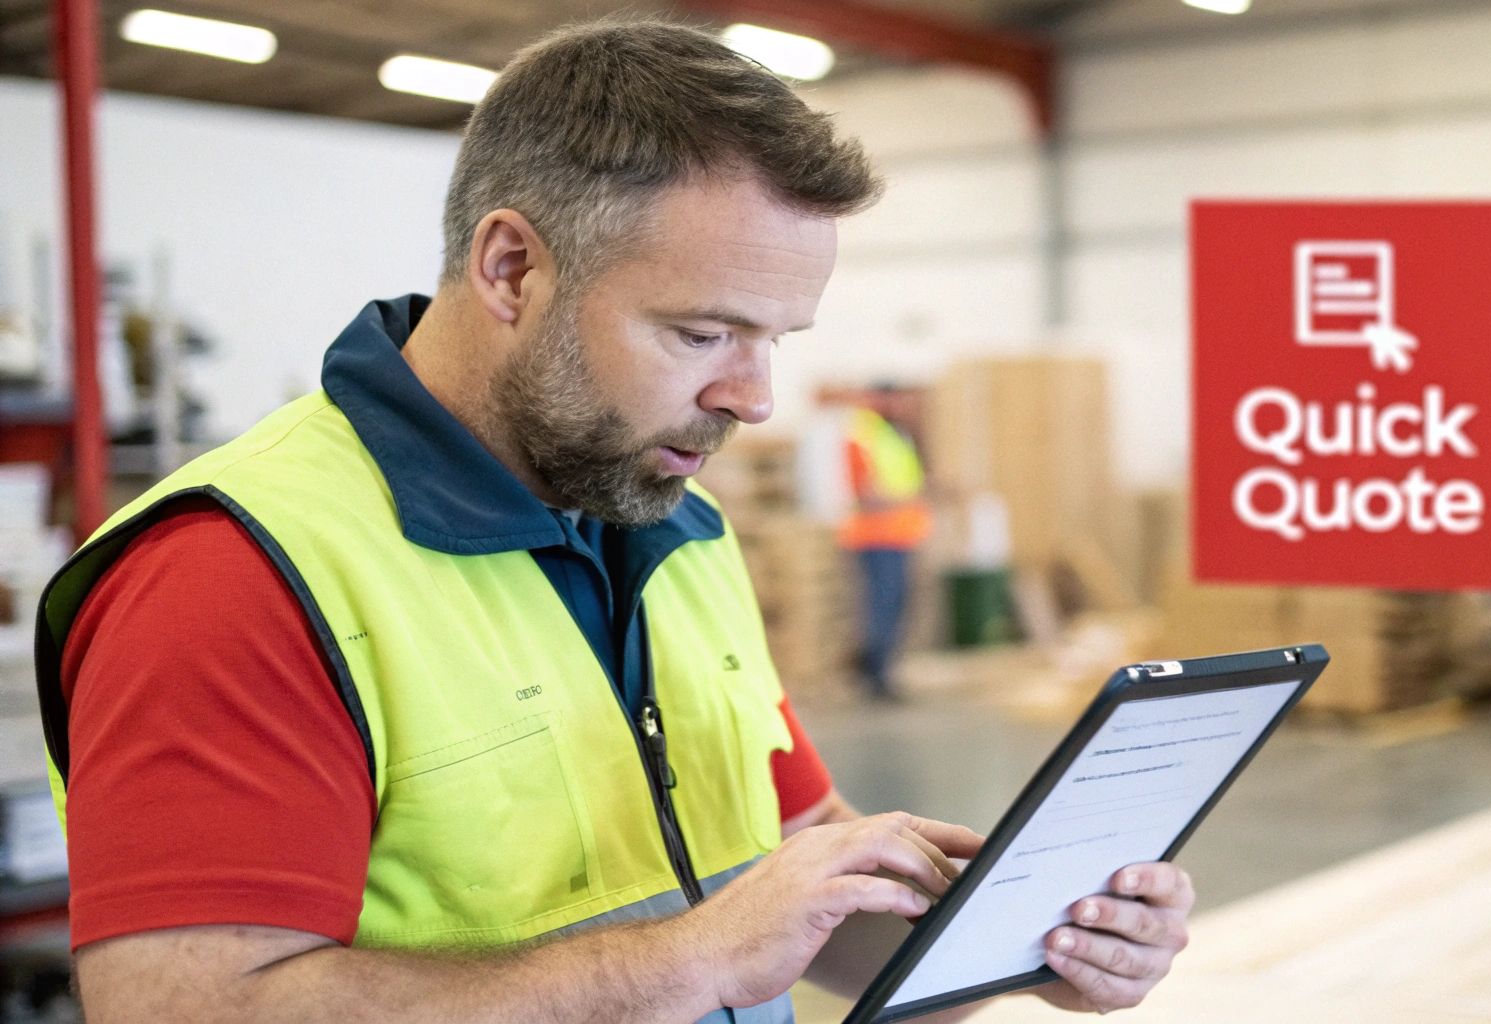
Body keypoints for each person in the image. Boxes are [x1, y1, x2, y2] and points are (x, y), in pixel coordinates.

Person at [34, 19, 1196, 1023]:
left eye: (772, 340)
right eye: (702, 333)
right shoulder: (238, 573)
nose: (755, 395)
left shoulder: (668, 523)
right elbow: (185, 1006)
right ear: (508, 268)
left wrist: (1025, 933)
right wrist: (691, 958)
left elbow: (795, 873)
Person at [839, 386, 932, 701]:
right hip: (876, 537)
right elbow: (867, 496)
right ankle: (875, 675)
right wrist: (913, 497)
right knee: (882, 607)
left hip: (898, 535)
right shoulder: (862, 435)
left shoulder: (894, 434)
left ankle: (880, 671)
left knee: (893, 606)